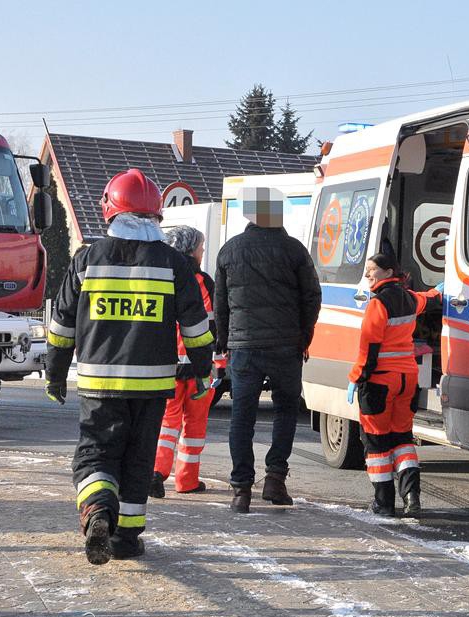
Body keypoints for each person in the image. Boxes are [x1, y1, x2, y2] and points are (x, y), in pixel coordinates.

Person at [44, 168, 213, 565]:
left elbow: (61, 324)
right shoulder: (175, 263)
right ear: (156, 216)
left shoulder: (88, 258)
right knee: (138, 459)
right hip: (152, 385)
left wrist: (54, 373)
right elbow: (196, 327)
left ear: (111, 212)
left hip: (99, 383)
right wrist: (204, 370)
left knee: (96, 454)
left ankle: (98, 510)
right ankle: (125, 540)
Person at [214, 187, 321, 513]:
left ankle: (241, 489)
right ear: (278, 213)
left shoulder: (229, 251)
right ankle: (275, 479)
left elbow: (221, 305)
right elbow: (312, 297)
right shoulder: (294, 250)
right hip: (286, 345)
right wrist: (303, 335)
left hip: (244, 347)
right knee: (286, 410)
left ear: (248, 214)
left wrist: (225, 340)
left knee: (242, 417)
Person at [348, 253, 442, 518]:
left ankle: (384, 502)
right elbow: (429, 300)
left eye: (371, 270)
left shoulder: (378, 304)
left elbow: (369, 346)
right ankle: (412, 498)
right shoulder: (409, 298)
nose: (367, 275)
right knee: (402, 439)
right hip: (407, 380)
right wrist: (439, 291)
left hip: (380, 382)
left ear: (388, 272)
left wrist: (356, 378)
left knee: (377, 444)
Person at [149, 226, 217, 498]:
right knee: (194, 426)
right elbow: (212, 325)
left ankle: (156, 473)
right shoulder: (203, 281)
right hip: (198, 366)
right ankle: (187, 481)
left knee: (167, 424)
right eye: (200, 247)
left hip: (167, 367)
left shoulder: (161, 277)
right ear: (191, 250)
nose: (202, 251)